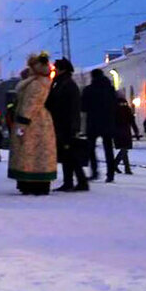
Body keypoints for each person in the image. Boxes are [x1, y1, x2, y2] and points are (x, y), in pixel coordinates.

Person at [7, 54, 58, 195]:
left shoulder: (36, 84)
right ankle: (35, 183)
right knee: (39, 153)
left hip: (32, 123)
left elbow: (30, 104)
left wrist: (22, 122)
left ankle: (31, 183)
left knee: (29, 152)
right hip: (40, 121)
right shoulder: (41, 82)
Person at [47, 58, 88, 192]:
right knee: (67, 155)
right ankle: (70, 182)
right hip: (63, 124)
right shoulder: (62, 83)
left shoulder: (66, 84)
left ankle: (79, 182)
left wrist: (72, 126)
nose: (54, 70)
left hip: (66, 124)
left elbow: (69, 107)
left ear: (62, 69)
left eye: (56, 68)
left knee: (70, 154)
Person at [81, 69, 118, 182]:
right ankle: (110, 174)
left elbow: (83, 107)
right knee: (108, 149)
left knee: (91, 149)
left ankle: (95, 171)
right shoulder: (111, 89)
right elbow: (115, 105)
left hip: (93, 123)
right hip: (108, 122)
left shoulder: (88, 90)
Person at [114, 91, 140, 174]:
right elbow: (132, 120)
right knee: (124, 149)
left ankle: (126, 168)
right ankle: (116, 165)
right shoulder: (126, 108)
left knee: (123, 149)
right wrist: (136, 131)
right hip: (125, 130)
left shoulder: (113, 107)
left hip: (117, 130)